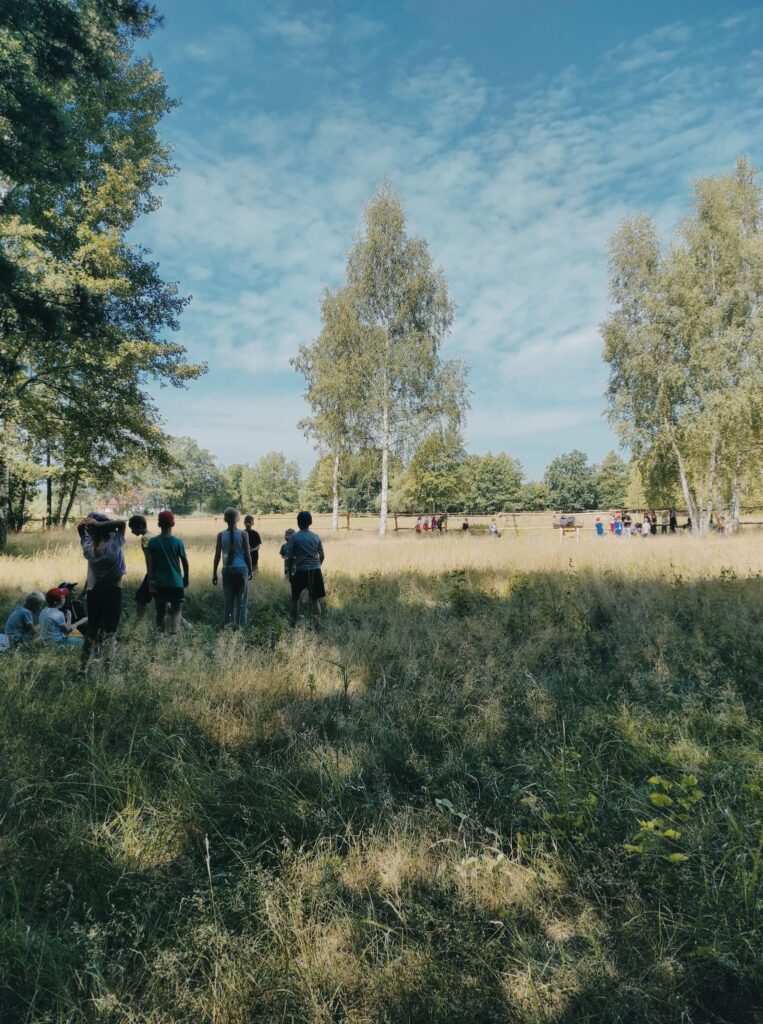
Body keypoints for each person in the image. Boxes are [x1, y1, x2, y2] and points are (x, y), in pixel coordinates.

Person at [78, 513, 127, 670]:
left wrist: (86, 527)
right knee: (110, 631)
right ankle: (108, 666)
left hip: (95, 591)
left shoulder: (89, 550)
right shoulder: (114, 545)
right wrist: (97, 524)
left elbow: (82, 533)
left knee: (92, 630)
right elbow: (121, 523)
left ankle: (83, 667)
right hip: (113, 591)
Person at [146, 511, 189, 636]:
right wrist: (186, 577)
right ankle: (173, 636)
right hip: (176, 583)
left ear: (159, 524)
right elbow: (185, 562)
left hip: (159, 583)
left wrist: (151, 580)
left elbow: (150, 565)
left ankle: (160, 636)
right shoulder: (178, 542)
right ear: (173, 524)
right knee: (176, 611)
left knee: (160, 612)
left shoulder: (152, 542)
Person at [283, 511, 325, 627]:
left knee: (295, 598)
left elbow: (289, 556)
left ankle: (293, 624)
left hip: (300, 571)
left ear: (298, 522)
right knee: (315, 600)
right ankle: (316, 624)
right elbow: (322, 555)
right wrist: (317, 566)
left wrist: (290, 574)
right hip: (315, 571)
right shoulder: (316, 537)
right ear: (310, 522)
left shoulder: (294, 537)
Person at [213, 507, 253, 629]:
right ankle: (240, 628)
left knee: (228, 602)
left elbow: (217, 555)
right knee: (242, 602)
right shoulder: (244, 534)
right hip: (242, 570)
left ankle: (228, 627)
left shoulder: (221, 535)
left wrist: (214, 573)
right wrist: (250, 570)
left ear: (225, 519)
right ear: (238, 519)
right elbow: (247, 554)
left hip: (227, 570)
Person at [129, 514, 153, 621]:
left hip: (153, 573)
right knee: (164, 600)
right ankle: (186, 624)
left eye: (133, 528)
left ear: (141, 526)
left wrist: (150, 577)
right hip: (160, 572)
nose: (132, 531)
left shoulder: (145, 538)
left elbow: (149, 558)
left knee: (140, 598)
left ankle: (138, 623)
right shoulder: (152, 535)